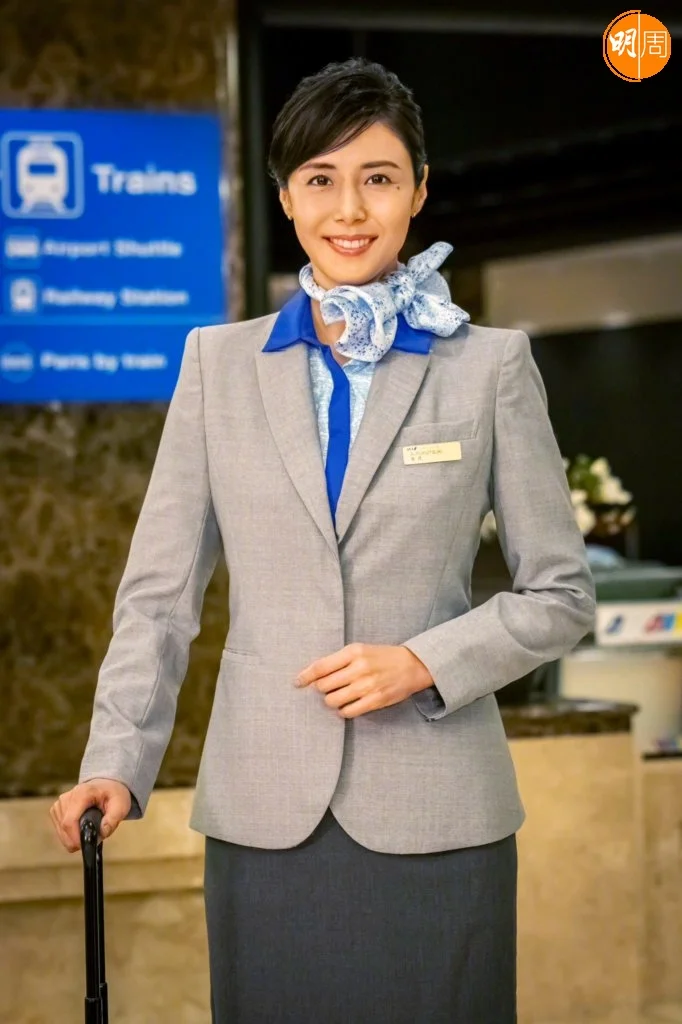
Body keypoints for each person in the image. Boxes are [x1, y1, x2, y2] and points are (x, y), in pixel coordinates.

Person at [50, 58, 596, 1022]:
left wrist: (424, 662)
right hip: (266, 814)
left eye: (378, 178)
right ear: (286, 197)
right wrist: (115, 760)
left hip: (441, 818)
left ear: (417, 191)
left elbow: (561, 594)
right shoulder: (216, 365)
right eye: (320, 179)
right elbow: (159, 596)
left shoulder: (490, 366)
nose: (349, 209)